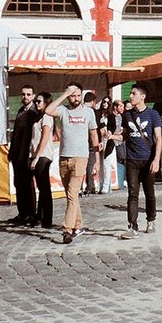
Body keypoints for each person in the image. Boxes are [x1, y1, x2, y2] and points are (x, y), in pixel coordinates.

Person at [53, 82, 97, 244]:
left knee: (72, 194)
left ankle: (67, 229)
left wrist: (97, 160)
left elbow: (94, 135)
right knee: (70, 196)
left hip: (81, 157)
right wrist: (64, 94)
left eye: (78, 95)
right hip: (64, 157)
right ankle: (78, 225)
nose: (76, 98)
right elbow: (48, 110)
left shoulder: (89, 112)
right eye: (73, 95)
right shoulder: (63, 110)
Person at [121, 85, 162, 235]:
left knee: (149, 192)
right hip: (132, 159)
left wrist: (156, 159)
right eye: (131, 93)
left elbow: (158, 138)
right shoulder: (127, 115)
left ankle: (151, 220)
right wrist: (112, 136)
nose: (131, 96)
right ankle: (132, 226)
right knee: (132, 193)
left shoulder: (153, 114)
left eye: (134, 94)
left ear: (143, 96)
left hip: (147, 159)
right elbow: (124, 135)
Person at [7, 85, 41, 226]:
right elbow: (16, 134)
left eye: (28, 94)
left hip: (26, 155)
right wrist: (11, 152)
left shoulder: (34, 113)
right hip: (16, 154)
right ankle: (22, 213)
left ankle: (31, 214)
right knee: (19, 184)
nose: (25, 97)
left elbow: (31, 137)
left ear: (33, 96)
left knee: (28, 185)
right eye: (23, 94)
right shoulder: (21, 111)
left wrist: (30, 155)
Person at [30, 92, 57, 229]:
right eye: (36, 101)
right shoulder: (38, 117)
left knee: (44, 187)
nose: (36, 103)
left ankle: (46, 218)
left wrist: (37, 156)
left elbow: (45, 137)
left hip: (43, 156)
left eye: (39, 101)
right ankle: (40, 216)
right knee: (41, 187)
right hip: (36, 154)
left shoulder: (47, 117)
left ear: (46, 102)